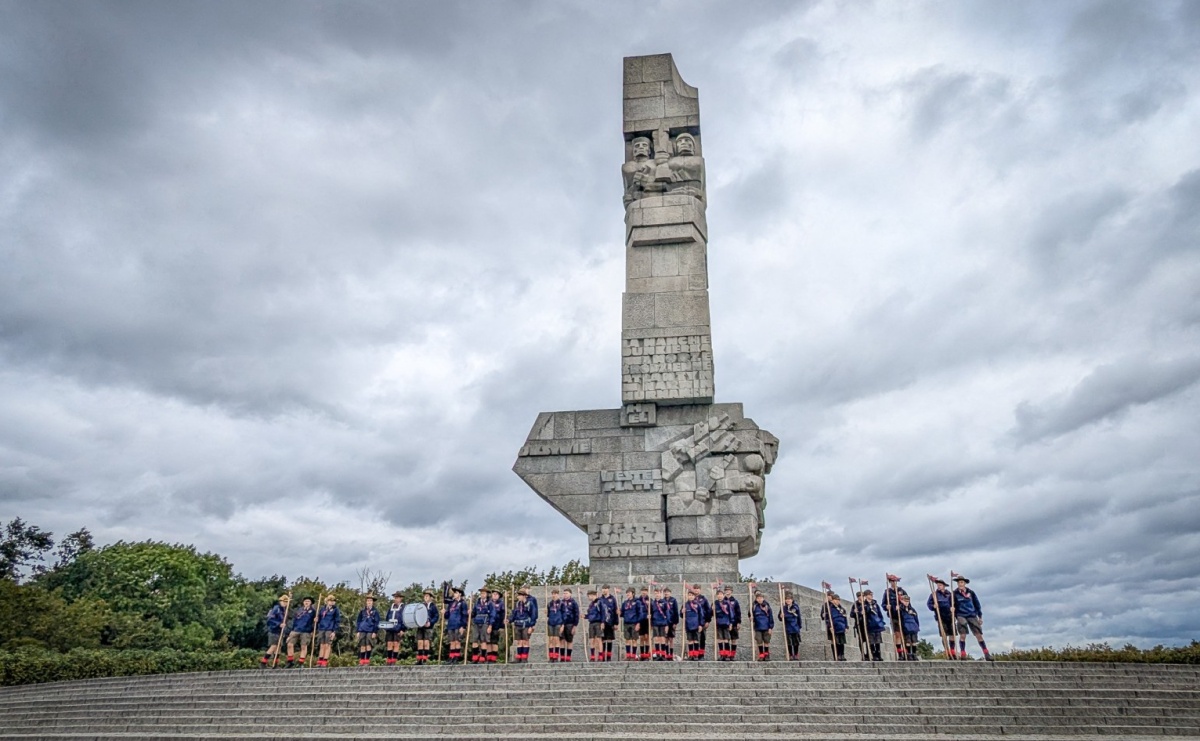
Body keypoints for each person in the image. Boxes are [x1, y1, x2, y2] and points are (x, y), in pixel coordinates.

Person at [952, 575, 994, 661]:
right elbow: (952, 605)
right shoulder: (954, 594)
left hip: (972, 614)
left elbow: (977, 604)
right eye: (959, 582)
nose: (960, 584)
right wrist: (952, 610)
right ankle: (963, 653)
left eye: (962, 582)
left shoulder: (971, 592)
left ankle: (986, 653)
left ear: (965, 583)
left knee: (979, 634)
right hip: (961, 614)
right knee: (962, 634)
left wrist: (980, 616)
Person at [850, 589, 886, 661]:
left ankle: (877, 654)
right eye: (860, 596)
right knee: (866, 640)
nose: (871, 596)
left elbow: (879, 614)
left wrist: (881, 621)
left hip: (875, 624)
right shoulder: (859, 604)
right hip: (863, 625)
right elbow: (853, 614)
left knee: (876, 641)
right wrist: (858, 612)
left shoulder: (874, 604)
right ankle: (865, 654)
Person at [882, 575, 910, 660]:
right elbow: (883, 604)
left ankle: (907, 653)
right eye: (891, 581)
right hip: (894, 615)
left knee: (905, 635)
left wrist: (901, 606)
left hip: (903, 615)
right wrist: (886, 606)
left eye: (894, 581)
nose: (893, 583)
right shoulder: (887, 592)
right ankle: (900, 654)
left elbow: (907, 602)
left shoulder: (902, 591)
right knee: (897, 635)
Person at [926, 578, 955, 658]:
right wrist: (933, 606)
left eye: (940, 585)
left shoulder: (949, 594)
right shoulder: (934, 594)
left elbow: (954, 603)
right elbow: (929, 604)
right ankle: (947, 650)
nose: (939, 586)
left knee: (952, 634)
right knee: (944, 634)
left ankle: (952, 650)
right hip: (940, 617)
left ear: (944, 586)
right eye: (938, 585)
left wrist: (953, 608)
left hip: (950, 616)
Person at [285, 596, 316, 667]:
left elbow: (315, 622)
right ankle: (290, 661)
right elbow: (295, 620)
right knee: (289, 644)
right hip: (296, 629)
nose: (306, 602)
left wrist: (313, 629)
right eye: (305, 601)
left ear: (311, 603)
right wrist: (292, 629)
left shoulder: (313, 611)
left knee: (303, 646)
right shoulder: (299, 610)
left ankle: (301, 662)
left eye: (308, 601)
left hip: (306, 631)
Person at [261, 594, 290, 667]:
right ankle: (263, 662)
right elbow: (270, 619)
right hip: (274, 630)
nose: (285, 603)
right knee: (274, 646)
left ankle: (275, 663)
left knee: (278, 647)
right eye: (284, 601)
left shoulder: (285, 610)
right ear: (280, 601)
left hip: (280, 631)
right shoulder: (276, 609)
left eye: (286, 602)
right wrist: (279, 624)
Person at [508, 588, 536, 663]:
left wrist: (531, 625)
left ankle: (524, 657)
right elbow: (513, 614)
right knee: (519, 642)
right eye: (518, 596)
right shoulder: (517, 604)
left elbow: (533, 615)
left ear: (524, 596)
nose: (518, 597)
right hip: (518, 624)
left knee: (525, 641)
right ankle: (519, 657)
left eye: (520, 595)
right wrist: (509, 620)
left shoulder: (530, 604)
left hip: (526, 624)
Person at [444, 587, 469, 664]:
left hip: (458, 624)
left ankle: (456, 657)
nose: (454, 594)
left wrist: (463, 626)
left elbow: (465, 615)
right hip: (451, 624)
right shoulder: (451, 603)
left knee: (457, 641)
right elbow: (447, 615)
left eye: (456, 593)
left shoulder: (463, 603)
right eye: (454, 593)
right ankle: (451, 656)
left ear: (460, 594)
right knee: (452, 641)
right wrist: (444, 612)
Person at [820, 592, 848, 661]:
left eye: (838, 600)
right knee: (835, 642)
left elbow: (845, 618)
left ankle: (842, 655)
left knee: (841, 642)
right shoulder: (829, 608)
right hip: (833, 627)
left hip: (841, 627)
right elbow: (827, 619)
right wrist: (830, 626)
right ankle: (836, 655)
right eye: (836, 600)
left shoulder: (842, 609)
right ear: (833, 600)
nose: (837, 601)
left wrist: (846, 627)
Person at [649, 586, 674, 661]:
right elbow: (651, 613)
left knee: (662, 639)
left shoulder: (665, 603)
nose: (657, 595)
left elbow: (668, 614)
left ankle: (663, 655)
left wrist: (667, 624)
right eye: (655, 593)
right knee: (656, 639)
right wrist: (650, 620)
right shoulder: (652, 603)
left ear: (661, 594)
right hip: (655, 623)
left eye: (658, 593)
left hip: (663, 623)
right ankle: (657, 654)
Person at [714, 587, 740, 661]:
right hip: (719, 623)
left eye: (721, 594)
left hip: (729, 623)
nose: (719, 595)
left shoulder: (731, 602)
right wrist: (712, 609)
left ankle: (730, 655)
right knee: (721, 639)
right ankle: (723, 655)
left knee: (729, 639)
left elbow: (735, 613)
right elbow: (712, 613)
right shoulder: (716, 603)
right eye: (718, 594)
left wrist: (735, 622)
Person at [315, 595, 341, 668]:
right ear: (327, 601)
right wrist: (316, 620)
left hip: (330, 629)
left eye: (333, 601)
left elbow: (337, 621)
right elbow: (319, 618)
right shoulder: (322, 609)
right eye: (330, 601)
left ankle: (325, 661)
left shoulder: (335, 610)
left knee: (327, 645)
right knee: (322, 645)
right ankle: (320, 660)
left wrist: (334, 631)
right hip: (322, 629)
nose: (331, 602)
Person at [354, 595, 380, 666]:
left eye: (370, 601)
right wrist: (358, 631)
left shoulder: (375, 611)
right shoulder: (362, 611)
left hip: (370, 630)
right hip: (362, 630)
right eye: (368, 601)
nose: (369, 602)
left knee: (368, 645)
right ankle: (362, 660)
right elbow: (358, 621)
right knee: (362, 646)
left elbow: (377, 622)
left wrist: (375, 631)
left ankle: (367, 660)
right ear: (366, 602)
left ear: (372, 602)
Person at [415, 590, 440, 664]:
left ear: (431, 597)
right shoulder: (421, 605)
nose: (425, 597)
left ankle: (425, 659)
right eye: (425, 596)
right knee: (420, 642)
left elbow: (436, 616)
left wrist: (431, 622)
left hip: (428, 626)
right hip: (420, 626)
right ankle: (419, 659)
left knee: (426, 642)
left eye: (427, 596)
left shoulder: (433, 606)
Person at [382, 591, 406, 665]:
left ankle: (394, 660)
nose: (396, 599)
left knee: (396, 644)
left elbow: (405, 619)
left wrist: (403, 629)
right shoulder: (391, 607)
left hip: (398, 628)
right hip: (390, 628)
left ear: (400, 598)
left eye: (397, 597)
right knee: (389, 644)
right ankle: (389, 659)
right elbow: (387, 617)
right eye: (395, 597)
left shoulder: (403, 607)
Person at [621, 588, 645, 661]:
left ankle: (633, 655)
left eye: (629, 593)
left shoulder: (637, 602)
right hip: (626, 623)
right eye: (627, 593)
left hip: (634, 623)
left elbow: (640, 613)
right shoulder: (625, 603)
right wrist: (619, 613)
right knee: (627, 639)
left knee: (634, 640)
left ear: (633, 593)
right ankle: (628, 655)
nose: (627, 594)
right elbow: (622, 613)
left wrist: (638, 623)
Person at [469, 587, 491, 664]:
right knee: (474, 640)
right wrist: (470, 613)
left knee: (483, 640)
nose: (482, 594)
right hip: (476, 623)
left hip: (485, 622)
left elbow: (492, 614)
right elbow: (473, 613)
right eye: (481, 593)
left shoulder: (490, 603)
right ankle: (475, 657)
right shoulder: (477, 603)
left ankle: (483, 656)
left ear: (487, 594)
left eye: (484, 593)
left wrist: (490, 625)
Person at [779, 591, 803, 661]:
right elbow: (780, 617)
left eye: (789, 599)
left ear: (792, 600)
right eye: (786, 599)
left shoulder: (796, 607)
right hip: (787, 627)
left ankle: (796, 654)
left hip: (795, 626)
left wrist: (799, 626)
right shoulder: (783, 608)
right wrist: (781, 616)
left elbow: (799, 617)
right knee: (789, 642)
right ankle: (790, 654)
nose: (788, 600)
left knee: (796, 642)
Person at [751, 591, 774, 661]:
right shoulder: (754, 606)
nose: (759, 599)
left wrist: (771, 627)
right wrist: (750, 616)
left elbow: (771, 617)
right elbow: (750, 613)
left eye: (761, 598)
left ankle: (766, 655)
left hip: (766, 627)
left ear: (763, 598)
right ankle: (761, 655)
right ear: (756, 599)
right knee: (759, 641)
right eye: (758, 598)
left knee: (766, 642)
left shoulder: (767, 607)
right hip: (758, 627)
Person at [898, 593, 921, 661]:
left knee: (914, 641)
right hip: (906, 627)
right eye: (905, 601)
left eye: (907, 601)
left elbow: (916, 618)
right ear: (902, 601)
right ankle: (908, 654)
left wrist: (917, 626)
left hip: (913, 627)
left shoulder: (912, 609)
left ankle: (914, 654)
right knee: (907, 641)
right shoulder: (901, 609)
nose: (906, 603)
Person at [683, 589, 705, 660]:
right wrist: (681, 611)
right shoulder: (685, 605)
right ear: (687, 596)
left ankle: (695, 655)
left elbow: (701, 615)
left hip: (696, 624)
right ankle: (691, 655)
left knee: (696, 640)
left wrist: (701, 625)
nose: (691, 597)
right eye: (689, 595)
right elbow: (681, 615)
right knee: (690, 640)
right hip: (688, 625)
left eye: (692, 595)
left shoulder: (698, 604)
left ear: (694, 596)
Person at [559, 587, 580, 662]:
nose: (565, 595)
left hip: (570, 623)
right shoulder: (561, 602)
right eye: (564, 593)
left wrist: (575, 625)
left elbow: (577, 614)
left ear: (570, 594)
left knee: (569, 640)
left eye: (566, 593)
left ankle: (568, 657)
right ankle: (562, 657)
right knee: (561, 640)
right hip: (562, 624)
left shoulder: (574, 603)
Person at [694, 585, 713, 659]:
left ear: (700, 590)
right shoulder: (690, 598)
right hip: (693, 622)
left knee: (702, 638)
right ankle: (694, 654)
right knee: (693, 639)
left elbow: (708, 610)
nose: (696, 590)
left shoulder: (703, 599)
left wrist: (708, 621)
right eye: (695, 589)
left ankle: (701, 654)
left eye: (698, 589)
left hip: (702, 622)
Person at [599, 585, 618, 662]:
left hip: (610, 621)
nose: (604, 590)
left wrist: (616, 623)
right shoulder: (600, 599)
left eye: (605, 589)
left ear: (608, 590)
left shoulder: (612, 599)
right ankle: (603, 656)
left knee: (609, 639)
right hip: (602, 622)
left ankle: (609, 656)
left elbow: (615, 611)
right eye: (603, 589)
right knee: (603, 639)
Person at [486, 589, 505, 663]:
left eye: (496, 594)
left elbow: (503, 614)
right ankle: (489, 656)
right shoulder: (488, 602)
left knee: (494, 641)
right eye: (493, 594)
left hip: (497, 624)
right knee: (488, 641)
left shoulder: (501, 603)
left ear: (499, 596)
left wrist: (502, 625)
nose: (494, 595)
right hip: (487, 624)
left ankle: (493, 658)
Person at [546, 588, 564, 662]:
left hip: (558, 623)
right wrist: (546, 612)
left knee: (556, 639)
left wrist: (563, 625)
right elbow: (548, 614)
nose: (554, 595)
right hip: (551, 623)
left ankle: (556, 656)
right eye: (553, 594)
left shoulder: (561, 603)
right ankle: (551, 656)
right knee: (551, 639)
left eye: (555, 594)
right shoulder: (549, 604)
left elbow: (564, 614)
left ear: (558, 595)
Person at [585, 589, 603, 662]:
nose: (589, 598)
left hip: (598, 622)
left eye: (589, 596)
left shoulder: (599, 602)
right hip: (591, 623)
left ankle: (600, 656)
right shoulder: (591, 604)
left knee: (599, 639)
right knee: (591, 640)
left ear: (593, 595)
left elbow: (603, 613)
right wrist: (585, 616)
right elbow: (590, 615)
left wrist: (603, 622)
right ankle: (592, 656)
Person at [638, 587, 652, 661]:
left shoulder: (650, 600)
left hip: (647, 621)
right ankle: (642, 654)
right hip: (641, 621)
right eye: (643, 591)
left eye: (645, 591)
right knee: (641, 638)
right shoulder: (638, 600)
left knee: (647, 638)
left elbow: (653, 610)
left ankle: (646, 654)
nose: (644, 592)